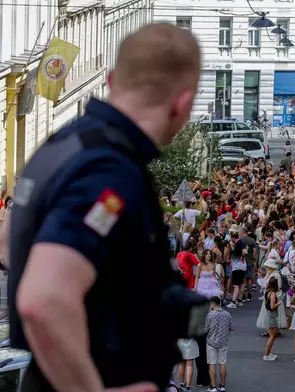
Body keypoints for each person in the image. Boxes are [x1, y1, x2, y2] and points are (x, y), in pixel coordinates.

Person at [8, 24, 205, 392]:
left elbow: (8, 242)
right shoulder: (109, 171)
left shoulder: (63, 147)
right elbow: (43, 299)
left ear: (113, 80)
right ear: (183, 103)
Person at [205, 296, 234, 392]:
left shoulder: (210, 315)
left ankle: (213, 386)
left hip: (211, 342)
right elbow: (231, 327)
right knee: (222, 363)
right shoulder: (227, 314)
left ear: (212, 303)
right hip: (223, 342)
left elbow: (206, 329)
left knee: (212, 363)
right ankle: (222, 385)